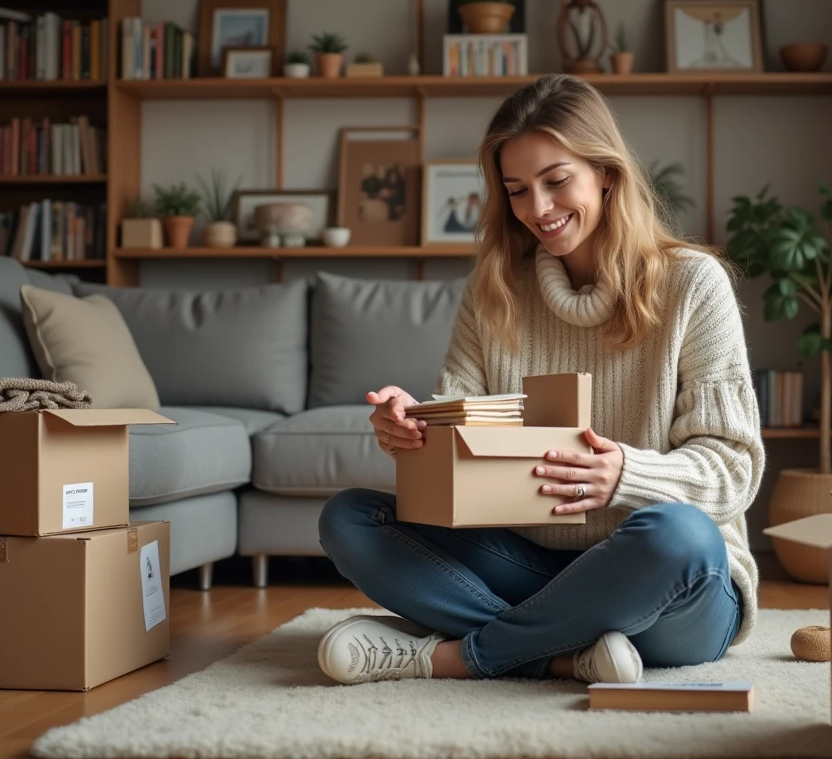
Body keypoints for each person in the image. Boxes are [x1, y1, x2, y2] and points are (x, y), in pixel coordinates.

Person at [317, 73, 765, 686]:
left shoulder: (693, 284)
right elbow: (462, 422)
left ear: (606, 173)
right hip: (534, 568)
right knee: (349, 519)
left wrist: (626, 476)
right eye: (518, 190)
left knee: (679, 533)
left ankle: (459, 656)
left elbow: (733, 468)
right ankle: (563, 653)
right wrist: (416, 425)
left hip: (667, 587)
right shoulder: (496, 290)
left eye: (557, 182)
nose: (539, 210)